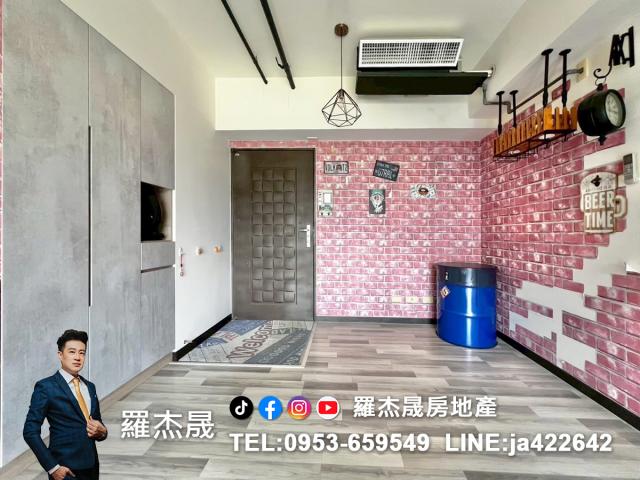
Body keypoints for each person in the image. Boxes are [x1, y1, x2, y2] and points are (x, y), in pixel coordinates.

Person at [23, 330, 108, 479]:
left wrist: (103, 432)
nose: (78, 357)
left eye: (82, 353)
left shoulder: (90, 387)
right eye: (72, 352)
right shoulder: (46, 387)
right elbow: (30, 431)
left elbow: (97, 425)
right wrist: (53, 468)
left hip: (91, 467)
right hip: (65, 470)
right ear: (60, 355)